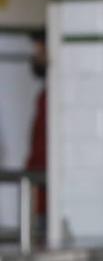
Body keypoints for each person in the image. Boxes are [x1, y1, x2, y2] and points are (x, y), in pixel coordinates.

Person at [24, 29, 48, 229]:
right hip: (42, 195)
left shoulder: (52, 100)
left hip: (51, 198)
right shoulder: (44, 96)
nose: (35, 56)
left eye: (39, 50)